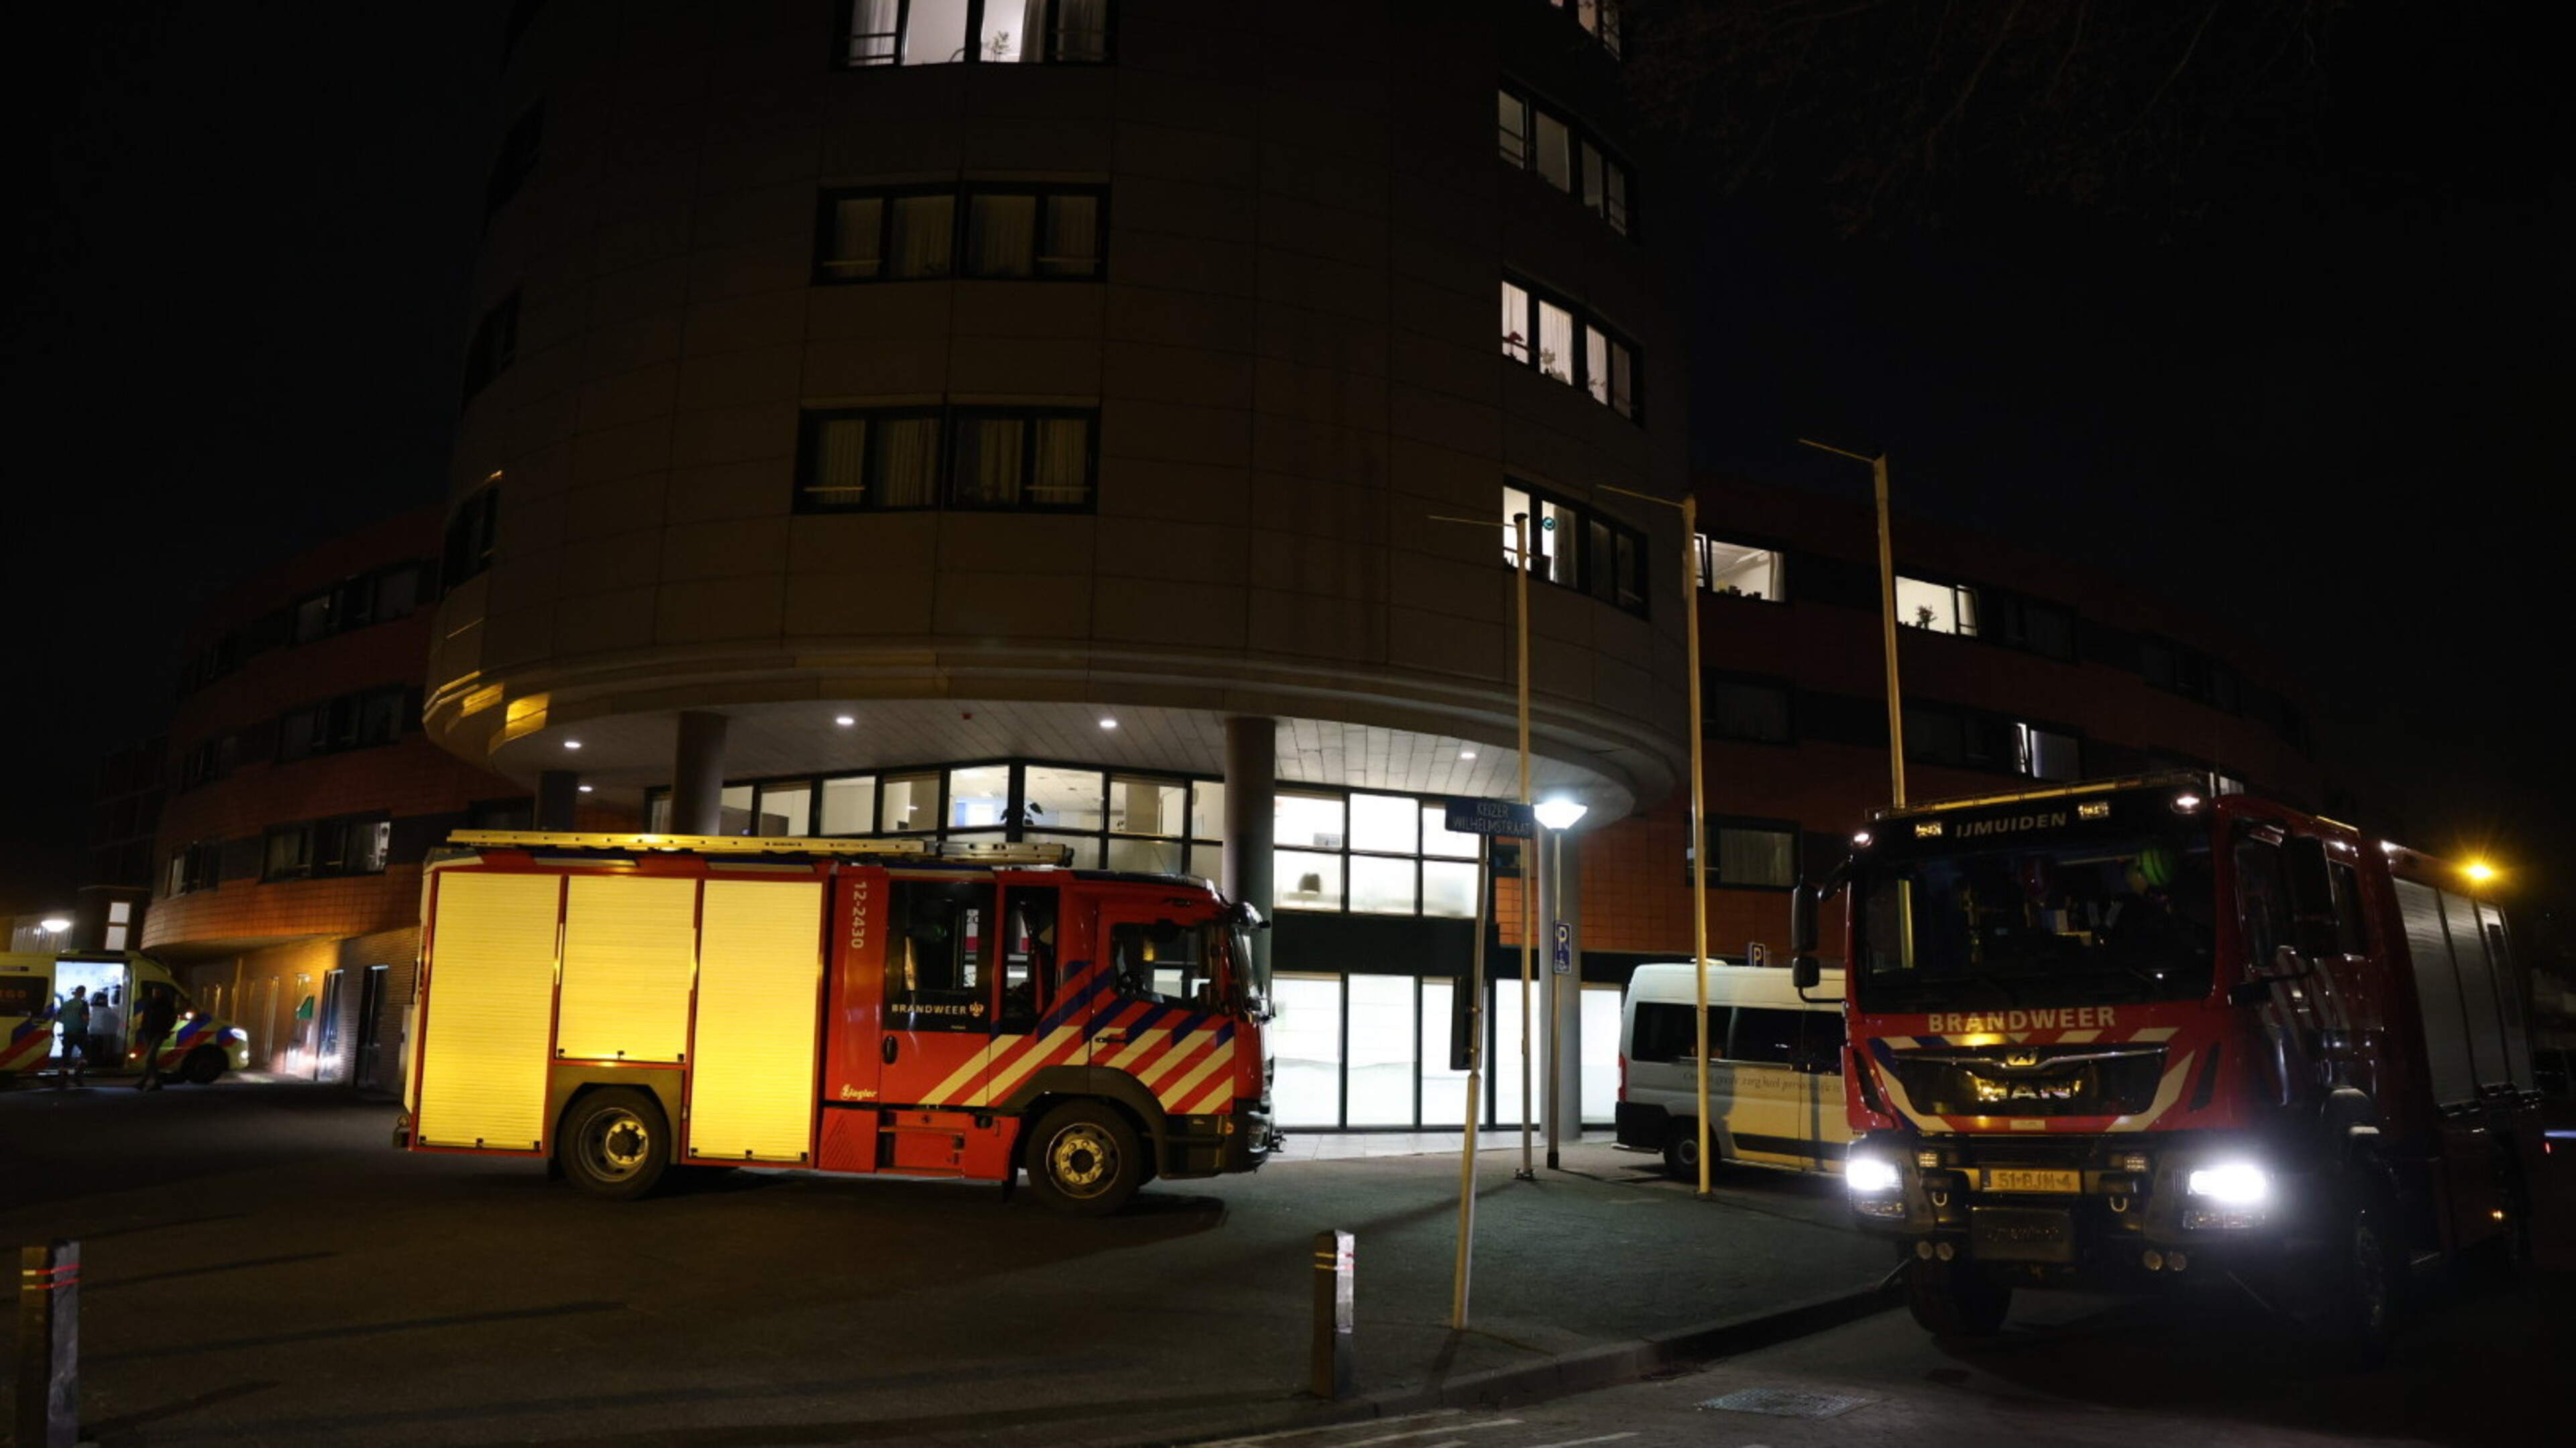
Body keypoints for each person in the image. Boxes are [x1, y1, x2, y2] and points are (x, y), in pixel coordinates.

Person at [134, 984, 179, 1091]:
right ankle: (151, 1082)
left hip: (159, 1033)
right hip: (149, 1032)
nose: (155, 993)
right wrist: (143, 1029)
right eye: (154, 992)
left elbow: (172, 1019)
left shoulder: (166, 1004)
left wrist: (166, 1029)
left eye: (157, 992)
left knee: (150, 1057)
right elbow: (145, 1017)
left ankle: (150, 1082)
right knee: (151, 1059)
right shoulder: (150, 1003)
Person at [54, 985, 91, 1089]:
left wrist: (67, 1022)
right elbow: (85, 1018)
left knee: (66, 1056)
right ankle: (77, 1076)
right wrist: (88, 1022)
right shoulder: (83, 1004)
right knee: (87, 1053)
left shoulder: (66, 1004)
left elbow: (57, 1018)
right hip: (80, 1033)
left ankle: (63, 1079)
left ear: (75, 993)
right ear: (83, 993)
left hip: (68, 1033)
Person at [89, 989, 125, 1072]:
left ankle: (94, 1064)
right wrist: (123, 1026)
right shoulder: (108, 1011)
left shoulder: (92, 1009)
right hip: (105, 1034)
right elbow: (119, 1022)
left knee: (95, 1051)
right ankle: (103, 1065)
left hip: (93, 1033)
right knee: (104, 1051)